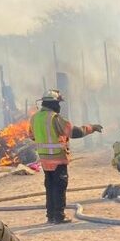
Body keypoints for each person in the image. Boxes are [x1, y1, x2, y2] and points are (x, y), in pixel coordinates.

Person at [29, 89, 103, 223]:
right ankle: (59, 216)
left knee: (50, 186)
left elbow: (32, 136)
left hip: (44, 160)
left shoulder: (35, 118)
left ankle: (50, 215)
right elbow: (74, 132)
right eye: (58, 103)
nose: (59, 106)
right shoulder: (54, 118)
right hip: (57, 159)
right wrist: (91, 128)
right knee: (59, 186)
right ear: (53, 103)